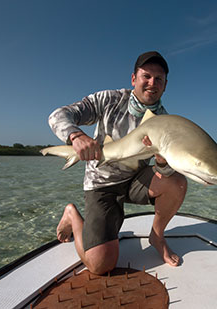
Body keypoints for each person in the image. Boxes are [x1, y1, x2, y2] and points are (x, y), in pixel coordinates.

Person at [48, 51, 187, 275]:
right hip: (101, 185)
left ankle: (157, 236)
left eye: (158, 79)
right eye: (146, 76)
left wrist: (162, 161)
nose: (152, 83)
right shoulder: (109, 100)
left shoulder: (164, 121)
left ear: (165, 85)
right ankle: (72, 215)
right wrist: (76, 136)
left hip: (135, 181)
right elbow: (58, 115)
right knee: (100, 266)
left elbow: (165, 171)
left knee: (177, 181)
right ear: (134, 79)